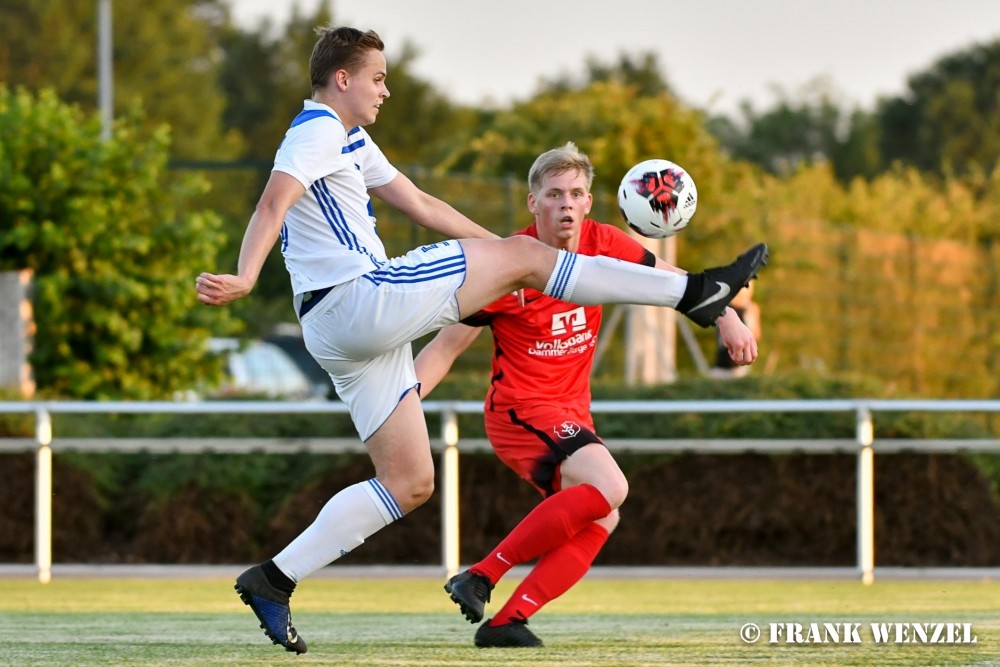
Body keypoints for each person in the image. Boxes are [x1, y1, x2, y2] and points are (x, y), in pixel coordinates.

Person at [195, 26, 767, 655]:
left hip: (344, 334)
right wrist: (246, 275)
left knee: (409, 481)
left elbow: (420, 202)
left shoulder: (350, 139)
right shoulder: (317, 129)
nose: (386, 90)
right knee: (526, 257)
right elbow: (272, 203)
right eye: (378, 78)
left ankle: (274, 579)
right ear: (342, 78)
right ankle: (698, 294)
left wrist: (504, 258)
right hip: (356, 298)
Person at [413, 142, 759, 648]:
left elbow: (681, 286)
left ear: (590, 202)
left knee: (605, 514)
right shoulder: (510, 264)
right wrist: (398, 408)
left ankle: (507, 622)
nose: (566, 205)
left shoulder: (605, 243)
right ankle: (482, 575)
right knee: (612, 486)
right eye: (554, 194)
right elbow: (444, 348)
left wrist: (725, 315)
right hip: (519, 413)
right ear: (533, 202)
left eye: (576, 194)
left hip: (571, 413)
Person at [711, 283, 761, 378]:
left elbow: (757, 334)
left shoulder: (751, 309)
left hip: (742, 366)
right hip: (722, 364)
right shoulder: (724, 307)